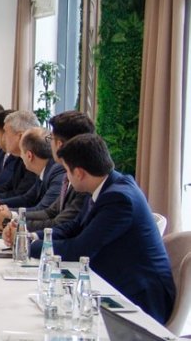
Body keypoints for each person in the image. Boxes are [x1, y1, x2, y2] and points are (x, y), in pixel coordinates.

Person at [23, 134, 175, 324]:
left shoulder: (119, 199)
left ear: (79, 173)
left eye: (67, 171)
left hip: (141, 297)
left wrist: (30, 246)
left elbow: (80, 250)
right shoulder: (103, 186)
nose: (66, 177)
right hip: (113, 282)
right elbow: (73, 227)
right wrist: (32, 236)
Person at [0, 127, 65, 229]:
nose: (21, 156)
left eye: (21, 152)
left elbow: (43, 210)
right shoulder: (45, 169)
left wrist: (8, 215)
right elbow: (27, 198)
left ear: (29, 156)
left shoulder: (57, 172)